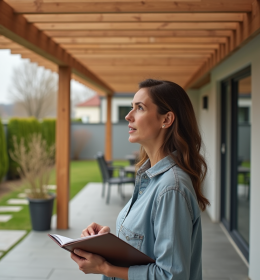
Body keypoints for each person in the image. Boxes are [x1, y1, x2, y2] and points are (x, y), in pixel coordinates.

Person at [70, 79, 209, 280]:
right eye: (131, 107)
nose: (128, 116)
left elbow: (170, 276)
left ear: (166, 119)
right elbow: (144, 246)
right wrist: (107, 244)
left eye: (140, 108)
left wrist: (105, 269)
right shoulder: (150, 177)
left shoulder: (171, 188)